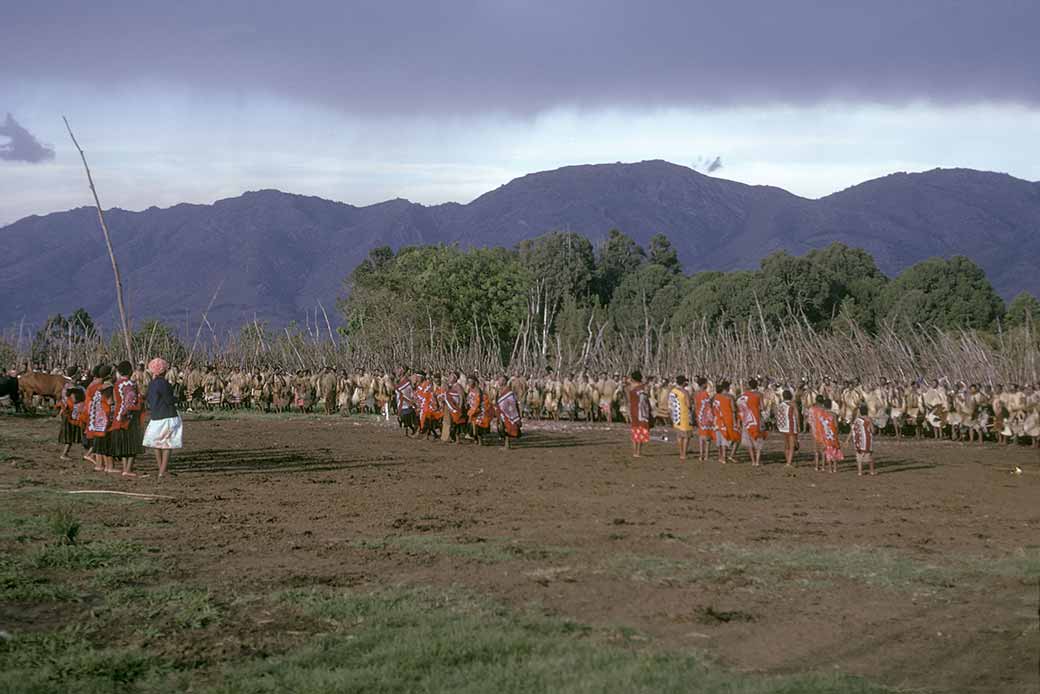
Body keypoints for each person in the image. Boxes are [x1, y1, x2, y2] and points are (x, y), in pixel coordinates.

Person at [142, 358, 182, 478]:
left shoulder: (151, 384)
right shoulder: (164, 384)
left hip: (155, 416)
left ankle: (161, 468)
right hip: (167, 415)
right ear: (164, 371)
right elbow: (169, 400)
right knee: (167, 444)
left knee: (157, 443)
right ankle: (163, 471)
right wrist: (177, 398)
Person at [112, 361, 145, 477]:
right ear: (130, 371)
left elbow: (117, 401)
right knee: (132, 444)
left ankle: (125, 468)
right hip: (129, 417)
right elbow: (132, 400)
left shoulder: (117, 384)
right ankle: (128, 469)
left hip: (118, 416)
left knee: (124, 444)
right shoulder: (131, 384)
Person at [737, 378, 767, 466]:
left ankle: (753, 461)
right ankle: (757, 461)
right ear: (757, 385)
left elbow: (740, 407)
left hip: (747, 420)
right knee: (758, 439)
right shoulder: (759, 394)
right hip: (757, 418)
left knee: (749, 440)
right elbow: (762, 407)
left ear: (749, 386)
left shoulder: (744, 395)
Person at [57, 382, 86, 460]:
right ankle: (64, 454)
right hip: (70, 419)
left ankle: (65, 453)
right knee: (70, 437)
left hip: (68, 417)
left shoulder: (66, 392)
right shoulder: (73, 399)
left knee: (70, 437)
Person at [712, 380, 739, 463]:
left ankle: (721, 457)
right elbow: (734, 410)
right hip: (728, 419)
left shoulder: (715, 397)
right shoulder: (730, 397)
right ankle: (728, 456)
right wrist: (735, 422)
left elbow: (712, 407)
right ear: (727, 387)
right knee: (736, 438)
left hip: (717, 420)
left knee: (720, 439)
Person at [626, 370, 651, 458]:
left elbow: (629, 401)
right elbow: (647, 398)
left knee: (634, 429)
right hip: (642, 410)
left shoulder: (630, 388)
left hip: (633, 409)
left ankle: (634, 451)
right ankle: (638, 452)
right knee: (641, 429)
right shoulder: (644, 387)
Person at [667, 375, 693, 460]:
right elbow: (688, 404)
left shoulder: (672, 391)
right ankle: (684, 454)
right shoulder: (685, 392)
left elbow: (670, 404)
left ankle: (681, 452)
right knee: (686, 436)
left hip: (675, 414)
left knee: (679, 435)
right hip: (684, 414)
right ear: (684, 382)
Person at [496, 375, 522, 449]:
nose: (499, 381)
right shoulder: (500, 390)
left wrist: (513, 415)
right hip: (502, 413)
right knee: (502, 427)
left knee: (507, 427)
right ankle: (506, 444)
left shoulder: (508, 392)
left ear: (504, 381)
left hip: (508, 413)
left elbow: (512, 403)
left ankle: (507, 445)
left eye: (500, 379)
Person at [849, 403, 875, 476]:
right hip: (867, 440)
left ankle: (860, 472)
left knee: (859, 457)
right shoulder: (869, 419)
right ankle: (872, 471)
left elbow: (853, 429)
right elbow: (872, 430)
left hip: (858, 441)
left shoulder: (857, 420)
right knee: (869, 456)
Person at [776, 389, 800, 467]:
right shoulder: (792, 403)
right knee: (792, 445)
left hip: (783, 426)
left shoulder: (781, 404)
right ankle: (789, 463)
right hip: (791, 425)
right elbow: (797, 415)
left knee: (786, 444)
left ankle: (788, 461)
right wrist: (799, 425)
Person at [819, 397, 844, 473]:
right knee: (834, 450)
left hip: (825, 434)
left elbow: (820, 426)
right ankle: (835, 468)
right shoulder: (833, 414)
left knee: (828, 451)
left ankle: (830, 468)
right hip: (833, 434)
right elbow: (836, 425)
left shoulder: (821, 414)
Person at [693, 377, 714, 461]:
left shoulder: (696, 393)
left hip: (699, 415)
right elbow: (708, 406)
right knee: (707, 437)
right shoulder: (705, 394)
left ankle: (701, 455)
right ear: (704, 384)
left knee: (701, 436)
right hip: (705, 416)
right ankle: (706, 456)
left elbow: (695, 404)